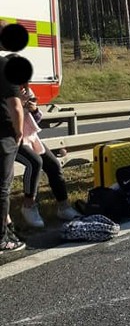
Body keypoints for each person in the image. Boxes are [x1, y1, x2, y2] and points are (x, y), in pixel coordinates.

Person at [14, 83, 81, 228]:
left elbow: (36, 120)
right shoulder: (6, 91)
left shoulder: (26, 91)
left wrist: (33, 109)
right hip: (11, 138)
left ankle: (63, 207)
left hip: (29, 137)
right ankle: (28, 205)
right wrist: (18, 104)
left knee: (53, 165)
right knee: (35, 162)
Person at [0, 53, 25, 253]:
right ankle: (2, 238)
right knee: (2, 187)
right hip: (3, 135)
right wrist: (19, 132)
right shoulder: (6, 67)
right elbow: (16, 108)